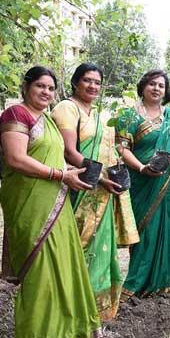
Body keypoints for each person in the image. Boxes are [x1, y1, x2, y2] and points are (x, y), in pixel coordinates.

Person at [0, 66, 103, 338]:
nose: (46, 92)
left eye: (50, 88)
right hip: (30, 204)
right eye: (41, 86)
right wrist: (61, 175)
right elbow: (16, 158)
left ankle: (69, 334)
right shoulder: (16, 115)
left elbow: (63, 157)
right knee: (40, 270)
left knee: (63, 266)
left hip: (56, 201)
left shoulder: (47, 121)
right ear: (27, 87)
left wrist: (82, 174)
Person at [51, 63, 139, 320]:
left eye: (97, 82)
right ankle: (72, 307)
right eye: (87, 80)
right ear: (76, 82)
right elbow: (69, 152)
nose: (93, 86)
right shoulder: (68, 108)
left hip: (102, 190)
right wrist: (100, 178)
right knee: (77, 248)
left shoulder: (100, 114)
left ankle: (96, 309)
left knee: (100, 250)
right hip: (81, 187)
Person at [116, 69, 170, 298]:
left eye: (161, 85)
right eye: (152, 84)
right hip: (142, 182)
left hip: (168, 184)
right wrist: (141, 168)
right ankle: (137, 283)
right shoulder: (129, 116)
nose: (157, 88)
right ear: (143, 86)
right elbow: (122, 148)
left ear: (166, 90)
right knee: (145, 230)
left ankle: (165, 282)